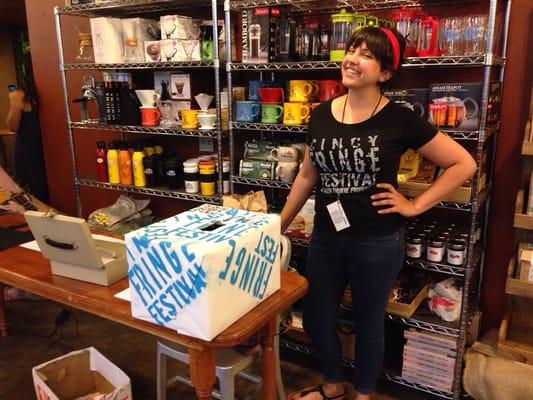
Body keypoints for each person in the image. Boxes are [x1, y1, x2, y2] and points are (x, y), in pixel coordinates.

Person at [280, 27, 476, 400]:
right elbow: (307, 176)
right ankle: (334, 386)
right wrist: (278, 227)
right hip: (326, 237)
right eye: (351, 49)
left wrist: (414, 205)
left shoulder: (399, 118)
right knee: (320, 317)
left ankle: (364, 394)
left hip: (377, 241)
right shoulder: (320, 114)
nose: (352, 58)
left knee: (369, 323)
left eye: (366, 54)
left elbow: (462, 164)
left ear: (385, 72)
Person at [6, 52, 49, 203]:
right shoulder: (51, 90)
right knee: (47, 190)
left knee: (29, 195)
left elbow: (13, 125)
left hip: (27, 150)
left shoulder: (19, 96)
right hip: (46, 149)